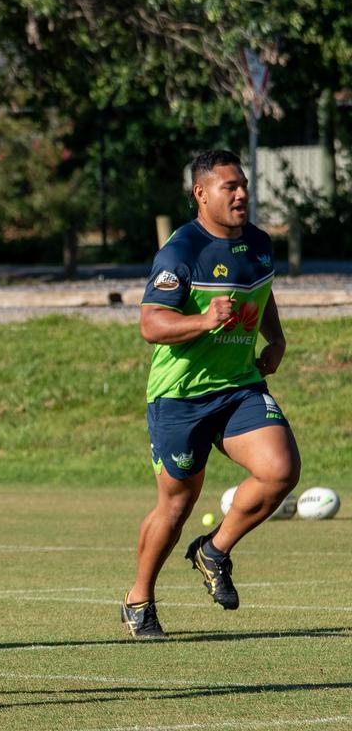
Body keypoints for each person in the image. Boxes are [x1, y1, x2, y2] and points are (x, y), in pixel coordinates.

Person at [122, 149, 300, 639]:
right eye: (230, 187)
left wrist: (277, 338)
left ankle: (215, 550)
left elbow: (261, 291)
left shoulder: (261, 244)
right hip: (181, 396)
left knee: (280, 470)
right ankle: (139, 598)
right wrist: (203, 319)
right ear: (201, 194)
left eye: (243, 184)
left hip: (239, 387)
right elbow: (150, 323)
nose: (242, 193)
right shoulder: (181, 252)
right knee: (176, 506)